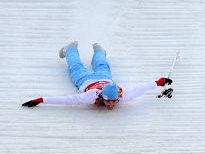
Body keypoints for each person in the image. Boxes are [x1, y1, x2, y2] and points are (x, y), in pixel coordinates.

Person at [21, 41, 172, 110]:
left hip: (104, 77)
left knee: (102, 65)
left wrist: (159, 82)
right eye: (110, 102)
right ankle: (70, 49)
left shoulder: (122, 95)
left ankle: (99, 51)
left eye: (113, 101)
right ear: (102, 98)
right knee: (76, 66)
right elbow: (68, 100)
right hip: (84, 80)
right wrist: (41, 100)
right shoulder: (90, 96)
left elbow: (139, 88)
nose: (112, 104)